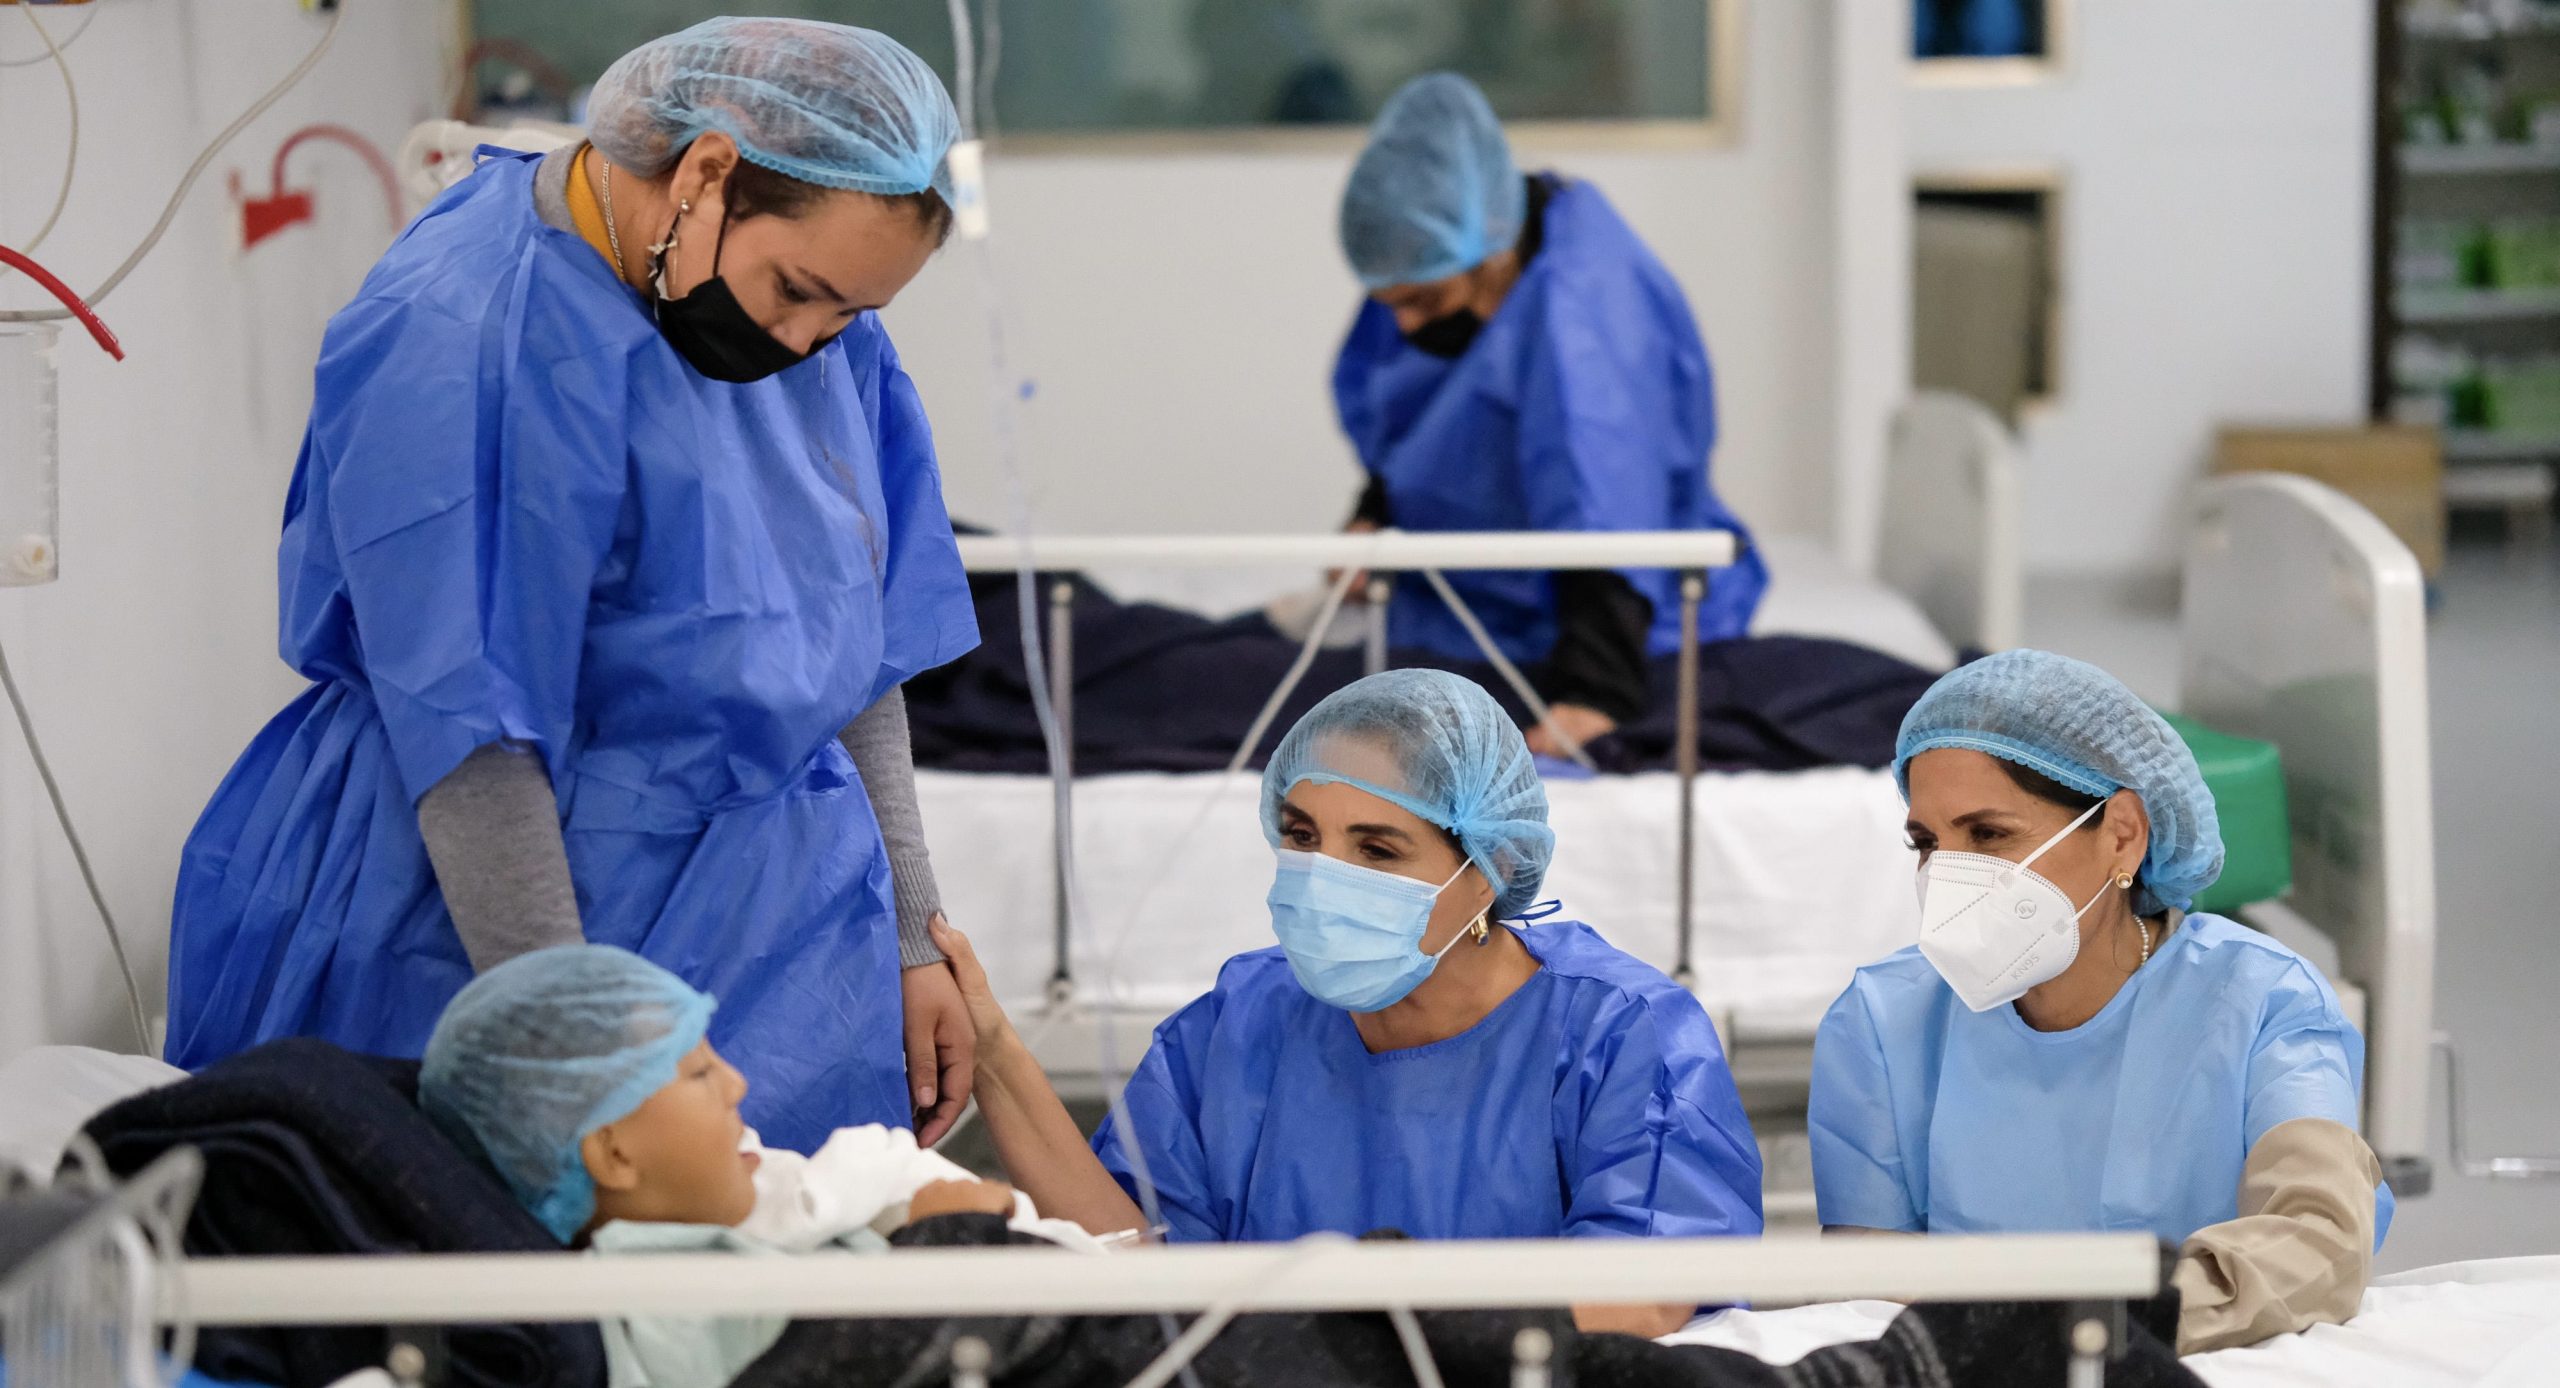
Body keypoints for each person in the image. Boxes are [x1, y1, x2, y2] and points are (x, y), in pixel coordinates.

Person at [167, 18, 984, 1153]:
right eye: (798, 292)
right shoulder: (465, 333)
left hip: (779, 930)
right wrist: (580, 1056)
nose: (810, 343)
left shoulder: (813, 317)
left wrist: (909, 931)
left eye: (850, 314)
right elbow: (472, 741)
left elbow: (855, 644)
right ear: (705, 170)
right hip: (493, 922)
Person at [419, 942, 2207, 1388]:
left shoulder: (1614, 1023)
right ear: (597, 1150)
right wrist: (936, 1239)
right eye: (686, 1065)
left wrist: (948, 1223)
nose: (736, 1075)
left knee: (1430, 1334)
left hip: (1189, 1331)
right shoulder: (635, 1305)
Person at [952, 669, 1759, 1338]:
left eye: (1376, 849)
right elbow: (1134, 1258)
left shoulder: (1622, 1034)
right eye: (1302, 836)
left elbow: (1644, 1295)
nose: (1323, 874)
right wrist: (994, 1053)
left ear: (1487, 869)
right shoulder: (1241, 1020)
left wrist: (1354, 1341)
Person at [1807, 650, 2393, 1354]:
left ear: (2122, 834)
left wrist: (2099, 1332)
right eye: (1928, 842)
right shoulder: (1881, 1021)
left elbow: (2319, 1242)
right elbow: (1868, 1283)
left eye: (1989, 835)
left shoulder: (2265, 1002)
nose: (1949, 874)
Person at [1329, 73, 1769, 761]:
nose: (1405, 324)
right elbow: (1417, 413)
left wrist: (1594, 692)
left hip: (1603, 612)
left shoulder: (1580, 312)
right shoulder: (1449, 252)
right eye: (1391, 303)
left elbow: (1607, 500)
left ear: (1495, 254)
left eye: (1422, 300)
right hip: (1470, 591)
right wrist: (1373, 516)